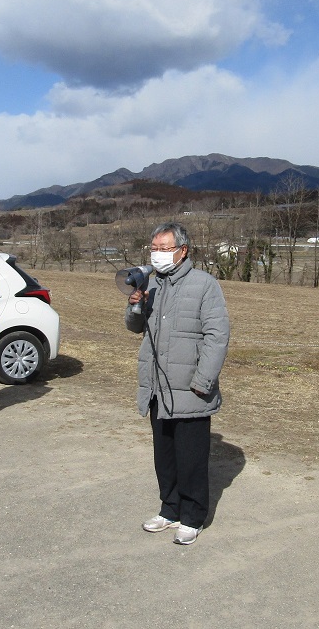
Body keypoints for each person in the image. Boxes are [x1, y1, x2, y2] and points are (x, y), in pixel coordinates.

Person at [125, 221, 230, 545]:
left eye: (164, 249)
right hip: (158, 386)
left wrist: (203, 381)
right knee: (165, 455)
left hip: (190, 388)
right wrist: (134, 305)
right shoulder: (152, 285)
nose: (157, 255)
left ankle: (193, 516)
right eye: (153, 249)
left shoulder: (204, 285)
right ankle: (169, 509)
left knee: (191, 458)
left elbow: (218, 336)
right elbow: (134, 327)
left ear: (182, 251)